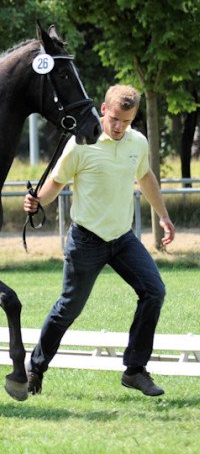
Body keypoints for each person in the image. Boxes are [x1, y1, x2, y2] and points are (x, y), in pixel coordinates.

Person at [23, 84, 175, 396]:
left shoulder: (137, 142)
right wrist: (37, 201)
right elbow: (55, 183)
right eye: (116, 118)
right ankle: (35, 368)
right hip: (86, 240)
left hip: (123, 238)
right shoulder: (80, 144)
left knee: (154, 291)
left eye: (127, 121)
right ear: (104, 110)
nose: (120, 126)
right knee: (69, 307)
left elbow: (146, 177)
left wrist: (163, 215)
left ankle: (135, 370)